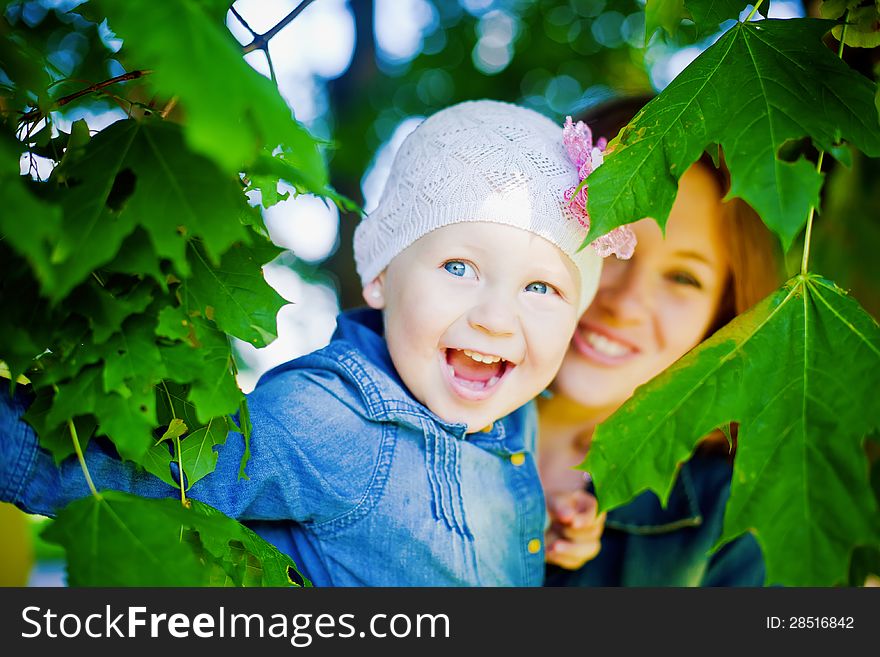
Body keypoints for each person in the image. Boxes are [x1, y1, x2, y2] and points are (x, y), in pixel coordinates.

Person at [0, 100, 634, 586]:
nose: (497, 319)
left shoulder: (511, 418)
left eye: (542, 288)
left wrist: (540, 519)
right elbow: (135, 472)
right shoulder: (328, 422)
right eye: (459, 268)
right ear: (381, 275)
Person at [538, 96, 784, 586]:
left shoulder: (734, 517)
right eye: (613, 242)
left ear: (721, 317)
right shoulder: (394, 410)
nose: (627, 302)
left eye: (683, 278)